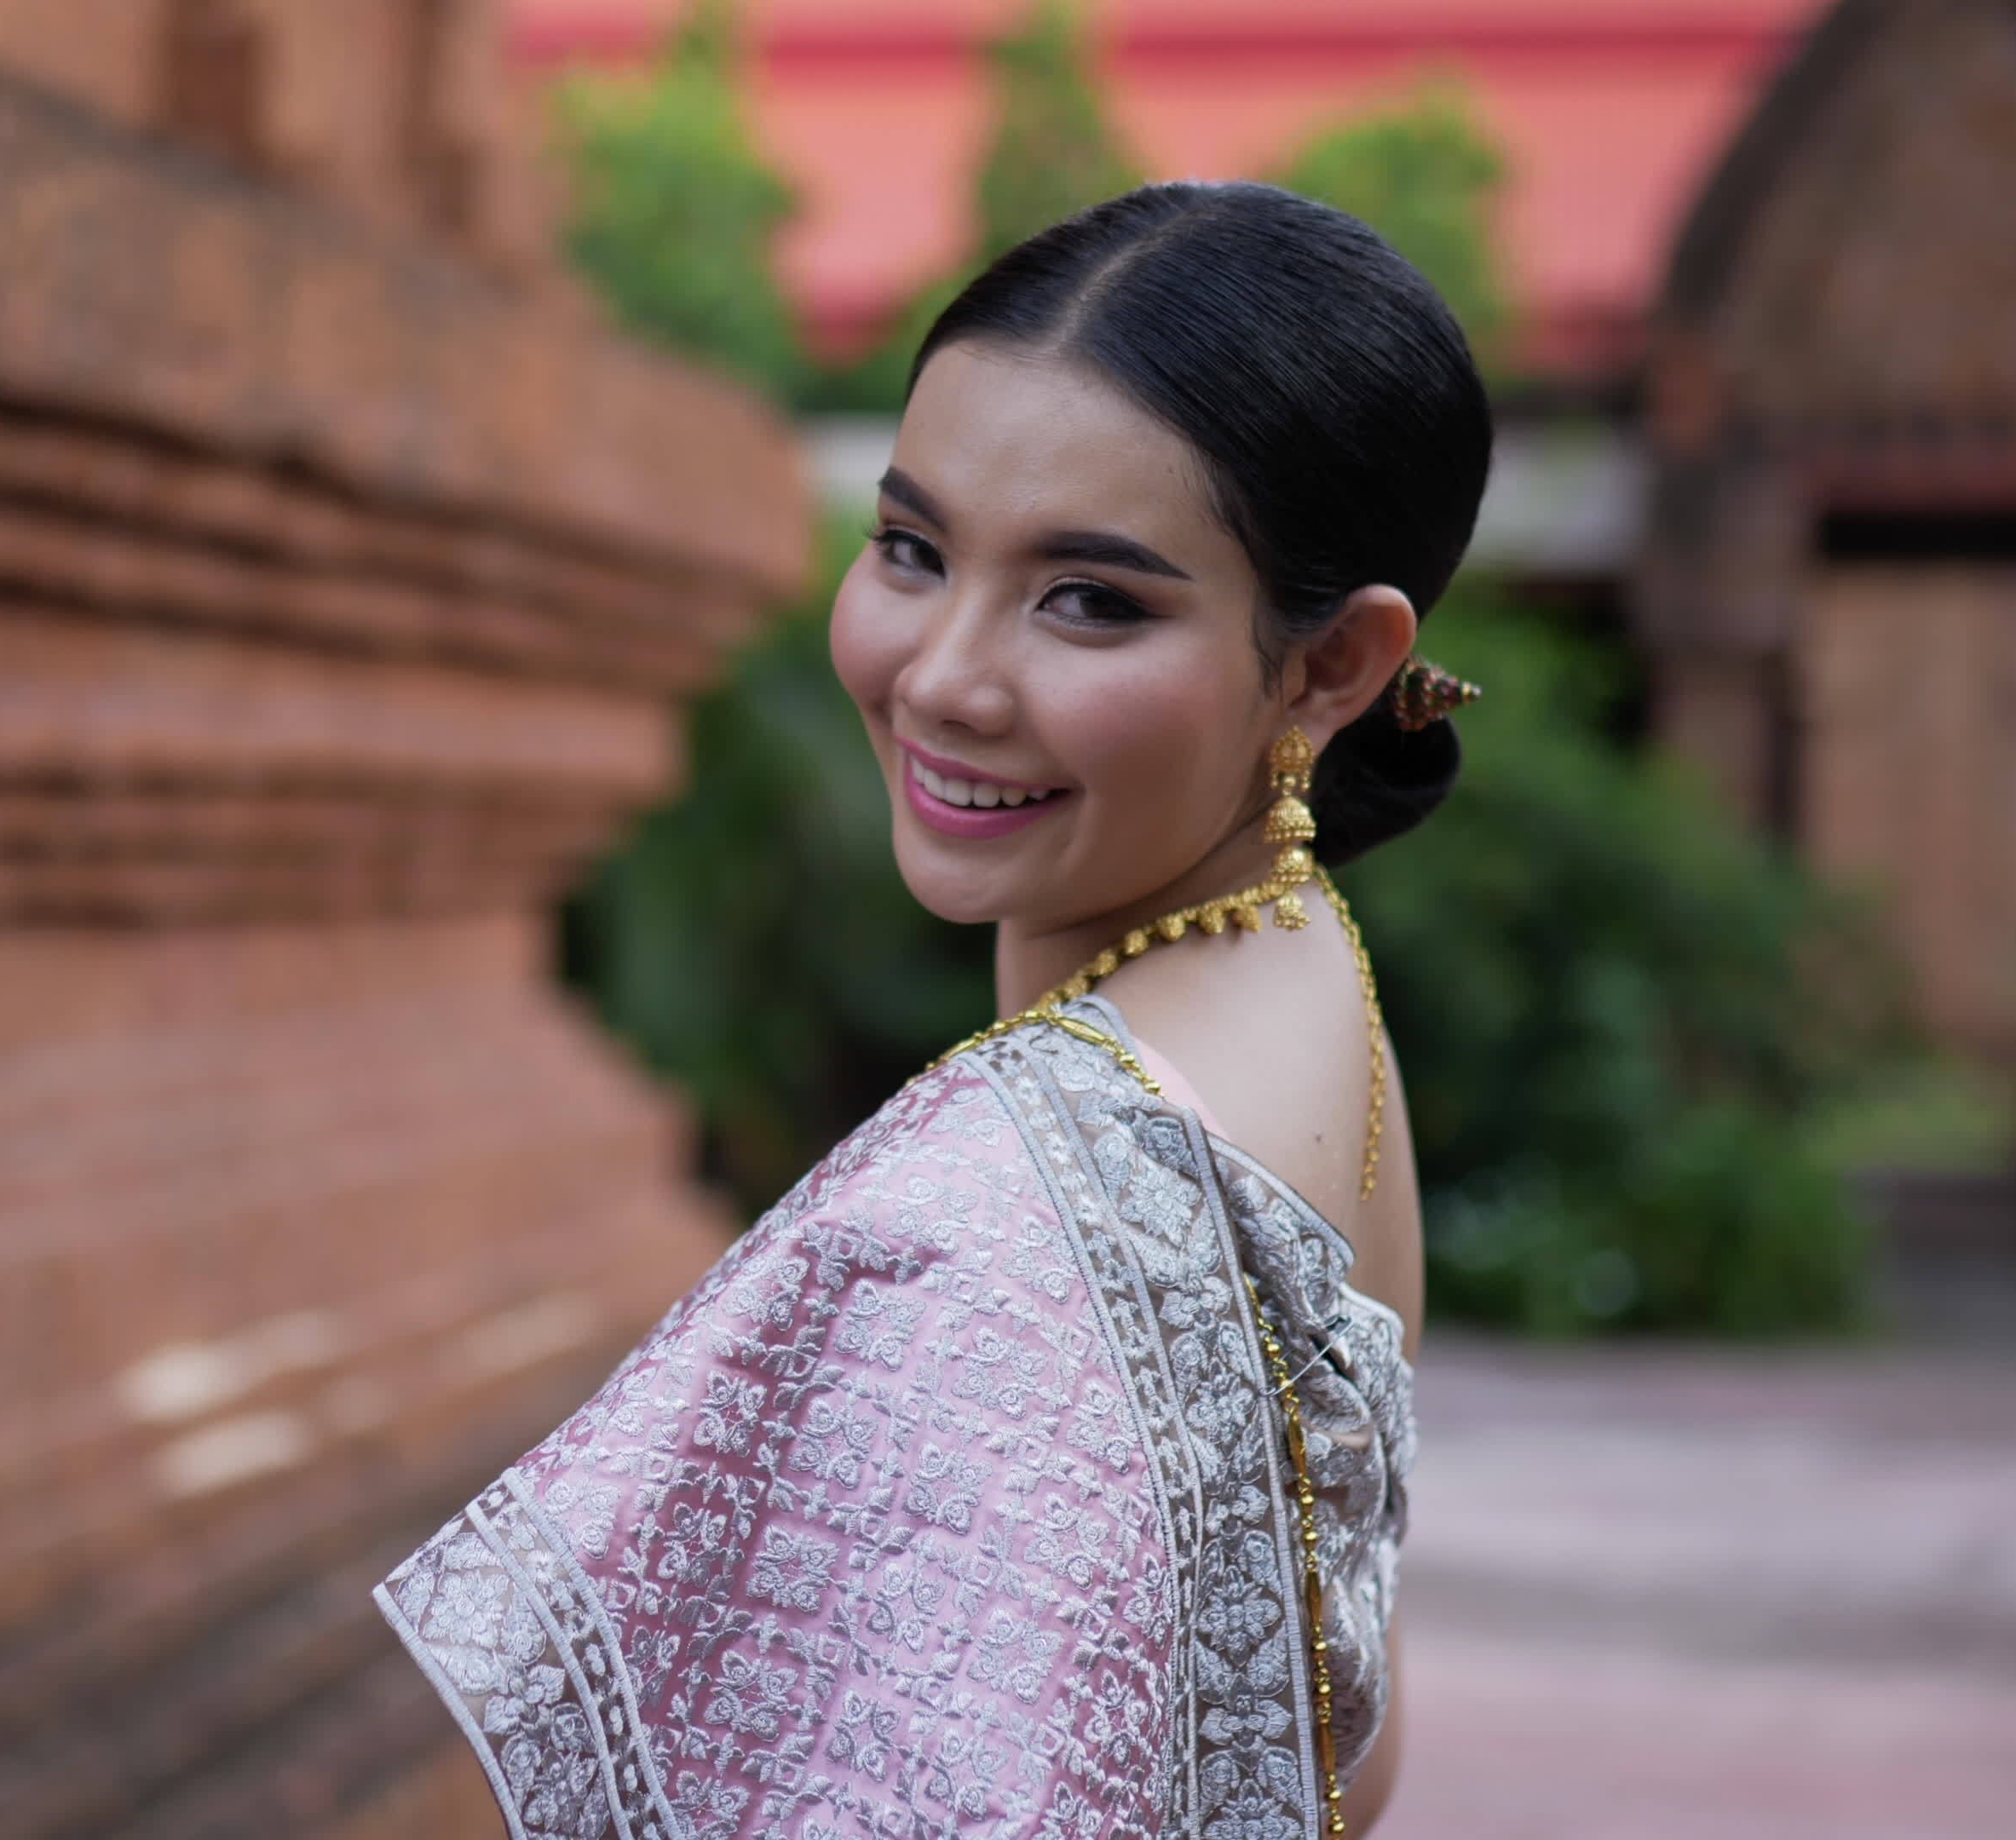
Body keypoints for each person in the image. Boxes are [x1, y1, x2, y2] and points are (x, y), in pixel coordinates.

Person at [377, 181, 1487, 1840]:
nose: (941, 677)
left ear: (1329, 667)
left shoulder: (987, 1235)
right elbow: (1352, 1734)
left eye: (1089, 599)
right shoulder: (1286, 956)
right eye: (909, 549)